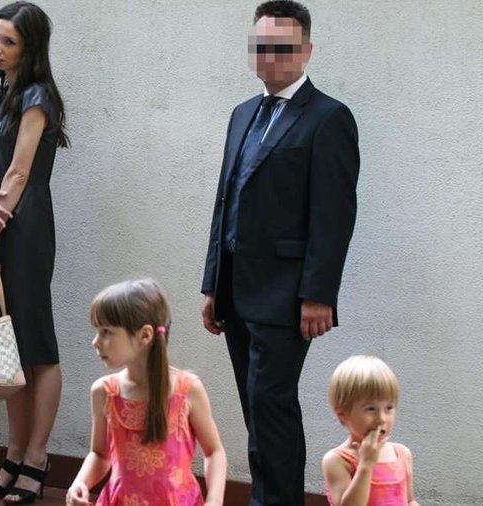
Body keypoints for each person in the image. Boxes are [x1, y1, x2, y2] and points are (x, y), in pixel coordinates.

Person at [200, 1, 360, 504]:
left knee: (271, 406)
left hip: (288, 296)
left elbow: (334, 216)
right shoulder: (242, 114)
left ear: (307, 51)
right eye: (262, 47)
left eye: (284, 48)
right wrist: (213, 283)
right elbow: (226, 200)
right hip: (235, 290)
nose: (271, 57)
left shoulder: (329, 118)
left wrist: (319, 294)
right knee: (258, 409)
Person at [0, 2, 69, 504]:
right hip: (1, 218)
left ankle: (36, 457)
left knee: (37, 344)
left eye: (8, 41)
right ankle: (13, 454)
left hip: (23, 225)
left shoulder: (37, 95)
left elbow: (19, 172)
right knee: (6, 344)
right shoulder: (6, 93)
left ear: (29, 48)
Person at [66, 279, 227, 506]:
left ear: (145, 335)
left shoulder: (187, 389)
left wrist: (214, 500)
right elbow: (100, 454)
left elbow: (214, 452)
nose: (95, 342)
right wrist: (80, 483)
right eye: (97, 331)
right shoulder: (103, 392)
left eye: (106, 332)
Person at [322, 356, 419, 506]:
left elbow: (410, 500)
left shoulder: (402, 454)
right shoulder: (337, 460)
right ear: (343, 414)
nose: (381, 418)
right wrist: (365, 465)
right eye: (371, 409)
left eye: (389, 408)